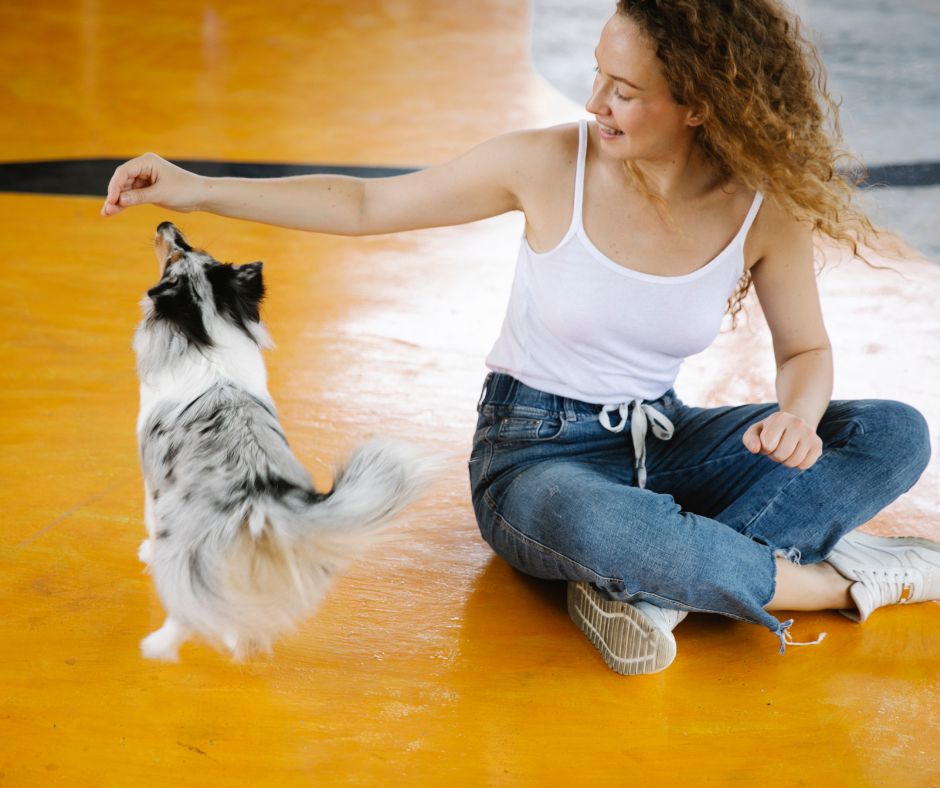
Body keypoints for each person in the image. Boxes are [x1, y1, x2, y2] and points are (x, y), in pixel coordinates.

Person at [103, 0, 937, 675]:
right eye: (598, 77)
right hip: (534, 460)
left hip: (664, 439)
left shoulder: (761, 207)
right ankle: (833, 582)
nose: (593, 102)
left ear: (699, 104)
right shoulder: (550, 164)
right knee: (602, 524)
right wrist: (197, 187)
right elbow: (366, 207)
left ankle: (659, 583)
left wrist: (798, 412)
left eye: (623, 89)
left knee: (892, 431)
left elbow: (806, 355)